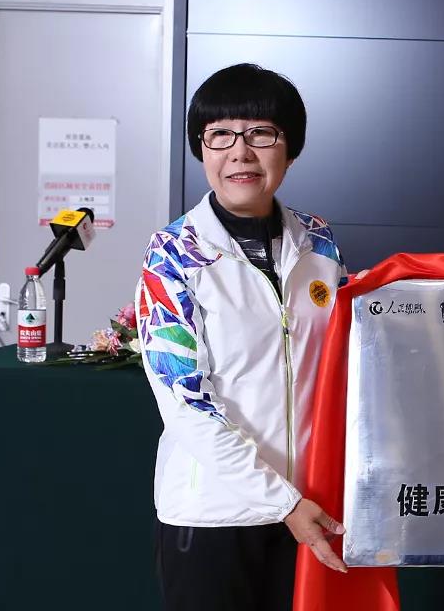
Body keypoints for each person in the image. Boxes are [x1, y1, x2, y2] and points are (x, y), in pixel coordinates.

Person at [135, 63, 350, 611]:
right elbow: (186, 404)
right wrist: (282, 502)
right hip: (215, 514)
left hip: (313, 507)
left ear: (290, 149)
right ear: (201, 148)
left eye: (261, 134)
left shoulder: (318, 242)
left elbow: (342, 364)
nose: (240, 152)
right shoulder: (173, 256)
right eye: (220, 135)